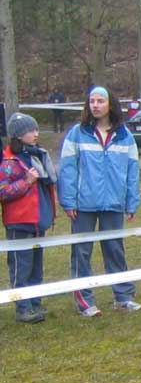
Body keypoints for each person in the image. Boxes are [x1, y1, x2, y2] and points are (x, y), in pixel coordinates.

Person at [59, 85, 141, 315]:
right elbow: (67, 169)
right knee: (81, 253)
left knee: (115, 250)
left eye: (100, 101)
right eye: (92, 101)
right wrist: (68, 201)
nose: (95, 105)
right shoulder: (77, 133)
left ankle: (123, 297)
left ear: (110, 104)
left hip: (114, 203)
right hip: (83, 204)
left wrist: (131, 201)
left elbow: (132, 171)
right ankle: (85, 301)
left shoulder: (125, 136)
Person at [1, 113, 57, 323]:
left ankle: (35, 302)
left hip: (38, 220)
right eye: (31, 130)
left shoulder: (37, 156)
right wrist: (26, 181)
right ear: (18, 135)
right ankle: (22, 308)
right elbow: (3, 192)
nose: (36, 134)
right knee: (21, 267)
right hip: (19, 223)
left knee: (36, 267)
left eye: (36, 129)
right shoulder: (8, 161)